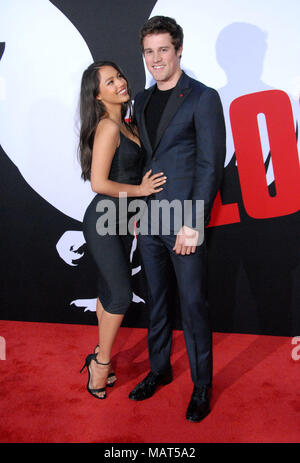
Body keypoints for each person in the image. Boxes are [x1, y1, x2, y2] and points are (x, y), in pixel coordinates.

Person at [128, 16, 226, 422]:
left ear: (179, 49)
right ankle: (160, 369)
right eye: (149, 51)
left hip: (184, 221)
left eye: (163, 49)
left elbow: (210, 165)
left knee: (193, 305)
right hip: (150, 219)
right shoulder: (141, 99)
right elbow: (143, 161)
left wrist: (194, 222)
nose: (156, 59)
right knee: (158, 302)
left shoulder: (202, 98)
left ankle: (202, 385)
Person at [78, 61, 166, 399]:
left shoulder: (126, 124)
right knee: (119, 296)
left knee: (106, 292)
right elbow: (98, 183)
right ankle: (100, 363)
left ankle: (101, 357)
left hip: (120, 222)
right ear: (98, 95)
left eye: (119, 77)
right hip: (103, 219)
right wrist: (141, 191)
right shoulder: (107, 128)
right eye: (109, 81)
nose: (119, 83)